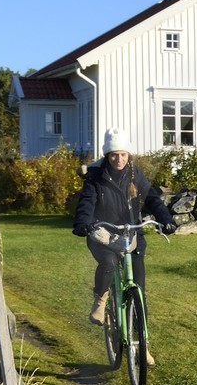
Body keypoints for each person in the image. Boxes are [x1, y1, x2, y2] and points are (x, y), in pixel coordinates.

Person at [72, 129, 175, 358]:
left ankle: (143, 345)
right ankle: (100, 300)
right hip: (103, 235)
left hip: (132, 235)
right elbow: (87, 203)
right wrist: (83, 223)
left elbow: (152, 200)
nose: (119, 160)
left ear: (129, 155)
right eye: (114, 155)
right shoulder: (95, 177)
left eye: (123, 155)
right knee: (107, 263)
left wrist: (166, 219)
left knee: (138, 290)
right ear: (107, 156)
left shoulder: (135, 174)